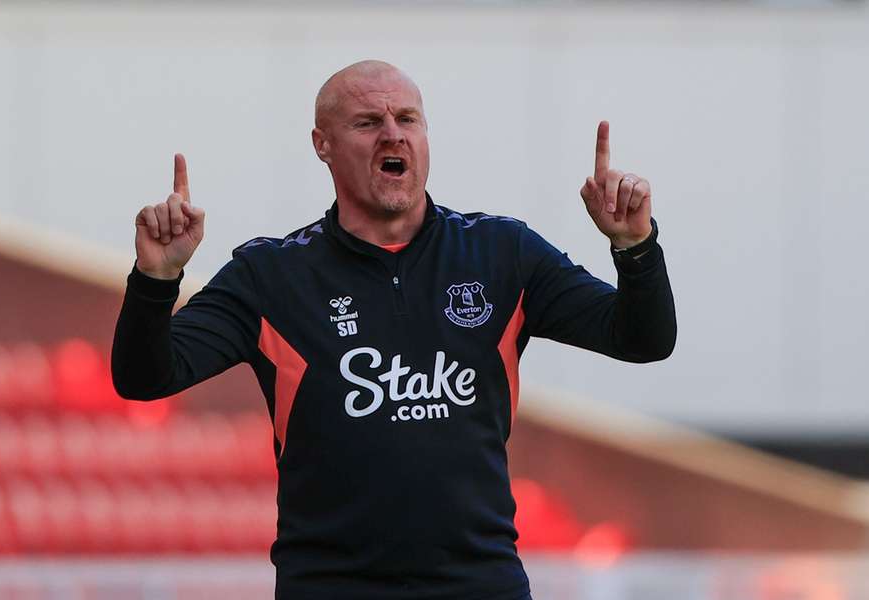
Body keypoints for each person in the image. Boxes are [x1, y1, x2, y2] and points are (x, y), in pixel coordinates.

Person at [112, 60, 676, 600]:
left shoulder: (503, 253)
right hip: (331, 588)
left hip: (480, 586)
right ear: (322, 145)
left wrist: (635, 246)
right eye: (367, 122)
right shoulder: (271, 275)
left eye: (407, 119)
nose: (392, 135)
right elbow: (144, 377)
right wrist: (155, 280)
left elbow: (642, 340)